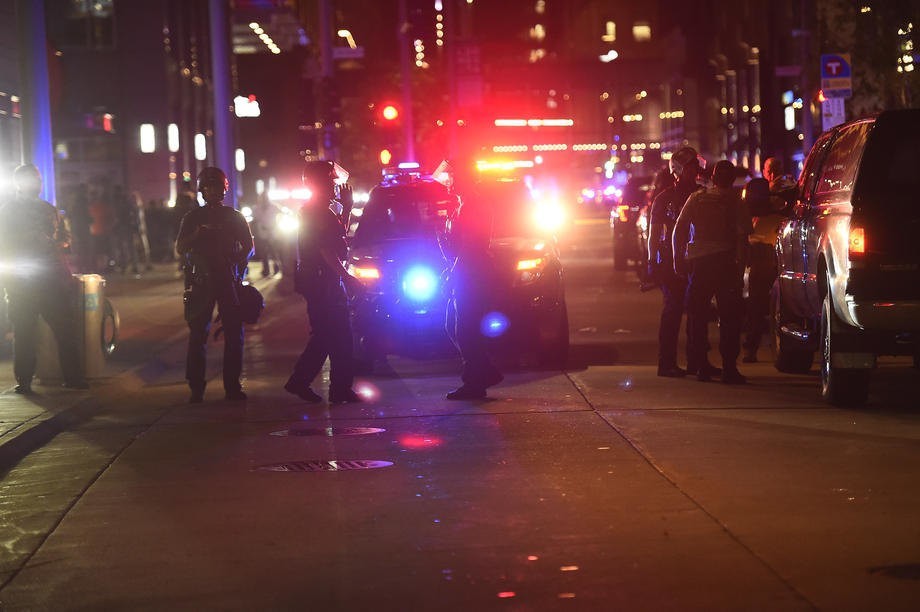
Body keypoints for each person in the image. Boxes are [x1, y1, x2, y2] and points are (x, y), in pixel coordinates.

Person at [0, 164, 88, 393]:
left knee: (65, 329)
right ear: (20, 183)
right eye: (33, 179)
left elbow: (66, 238)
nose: (38, 183)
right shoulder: (8, 211)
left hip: (51, 278)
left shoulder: (49, 209)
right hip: (22, 282)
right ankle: (25, 381)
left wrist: (56, 243)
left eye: (38, 179)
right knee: (24, 333)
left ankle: (74, 377)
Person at [284, 160, 363, 404]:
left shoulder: (320, 211)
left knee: (332, 334)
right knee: (335, 334)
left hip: (321, 281)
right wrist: (346, 277)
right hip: (323, 282)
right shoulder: (317, 212)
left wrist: (347, 209)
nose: (335, 186)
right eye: (330, 181)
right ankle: (317, 384)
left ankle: (329, 387)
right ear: (319, 184)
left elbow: (338, 238)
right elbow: (326, 250)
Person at [175, 167, 253, 403]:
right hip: (201, 281)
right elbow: (180, 247)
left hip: (227, 279)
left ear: (223, 189)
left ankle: (232, 387)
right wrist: (197, 235)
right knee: (198, 335)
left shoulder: (234, 216)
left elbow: (249, 247)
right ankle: (196, 387)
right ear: (202, 190)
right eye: (208, 187)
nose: (213, 191)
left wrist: (236, 266)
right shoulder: (192, 218)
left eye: (216, 187)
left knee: (234, 334)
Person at [672, 160, 752, 384]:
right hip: (725, 263)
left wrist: (678, 259)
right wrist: (740, 270)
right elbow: (742, 239)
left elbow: (679, 229)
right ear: (732, 179)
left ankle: (701, 367)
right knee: (729, 318)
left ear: (713, 178)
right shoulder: (736, 201)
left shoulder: (697, 198)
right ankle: (729, 369)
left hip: (699, 264)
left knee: (698, 317)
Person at [440, 172, 504, 400]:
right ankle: (484, 371)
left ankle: (475, 382)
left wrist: (454, 273)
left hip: (471, 273)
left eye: (452, 178)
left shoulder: (472, 206)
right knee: (456, 325)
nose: (448, 183)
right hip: (469, 271)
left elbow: (469, 246)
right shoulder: (464, 204)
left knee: (466, 329)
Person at [646, 146, 708, 378]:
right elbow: (654, 233)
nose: (696, 171)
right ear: (680, 169)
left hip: (697, 259)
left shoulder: (703, 194)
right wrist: (652, 262)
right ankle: (666, 363)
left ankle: (697, 361)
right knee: (673, 310)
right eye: (691, 167)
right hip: (671, 262)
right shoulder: (664, 199)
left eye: (696, 167)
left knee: (698, 312)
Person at [742, 156, 796, 362]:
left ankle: (754, 348)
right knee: (770, 305)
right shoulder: (785, 190)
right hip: (777, 254)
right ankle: (755, 347)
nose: (771, 173)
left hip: (770, 254)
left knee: (758, 305)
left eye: (772, 169)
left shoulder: (772, 191)